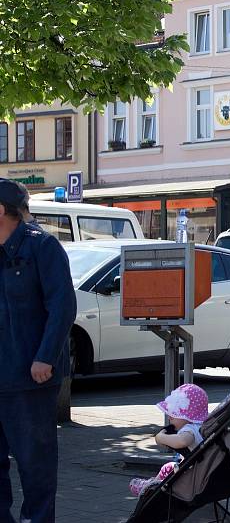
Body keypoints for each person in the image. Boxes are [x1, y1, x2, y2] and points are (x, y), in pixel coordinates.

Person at [0, 179, 77, 523]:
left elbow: (62, 306)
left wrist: (45, 356)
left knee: (36, 470)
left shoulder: (42, 247)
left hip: (31, 380)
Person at [129, 384, 209, 496]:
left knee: (170, 468)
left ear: (188, 416)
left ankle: (151, 488)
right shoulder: (204, 425)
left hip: (192, 475)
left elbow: (183, 441)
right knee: (168, 467)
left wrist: (161, 438)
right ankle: (154, 484)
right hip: (199, 469)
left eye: (174, 414)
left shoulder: (190, 429)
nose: (169, 417)